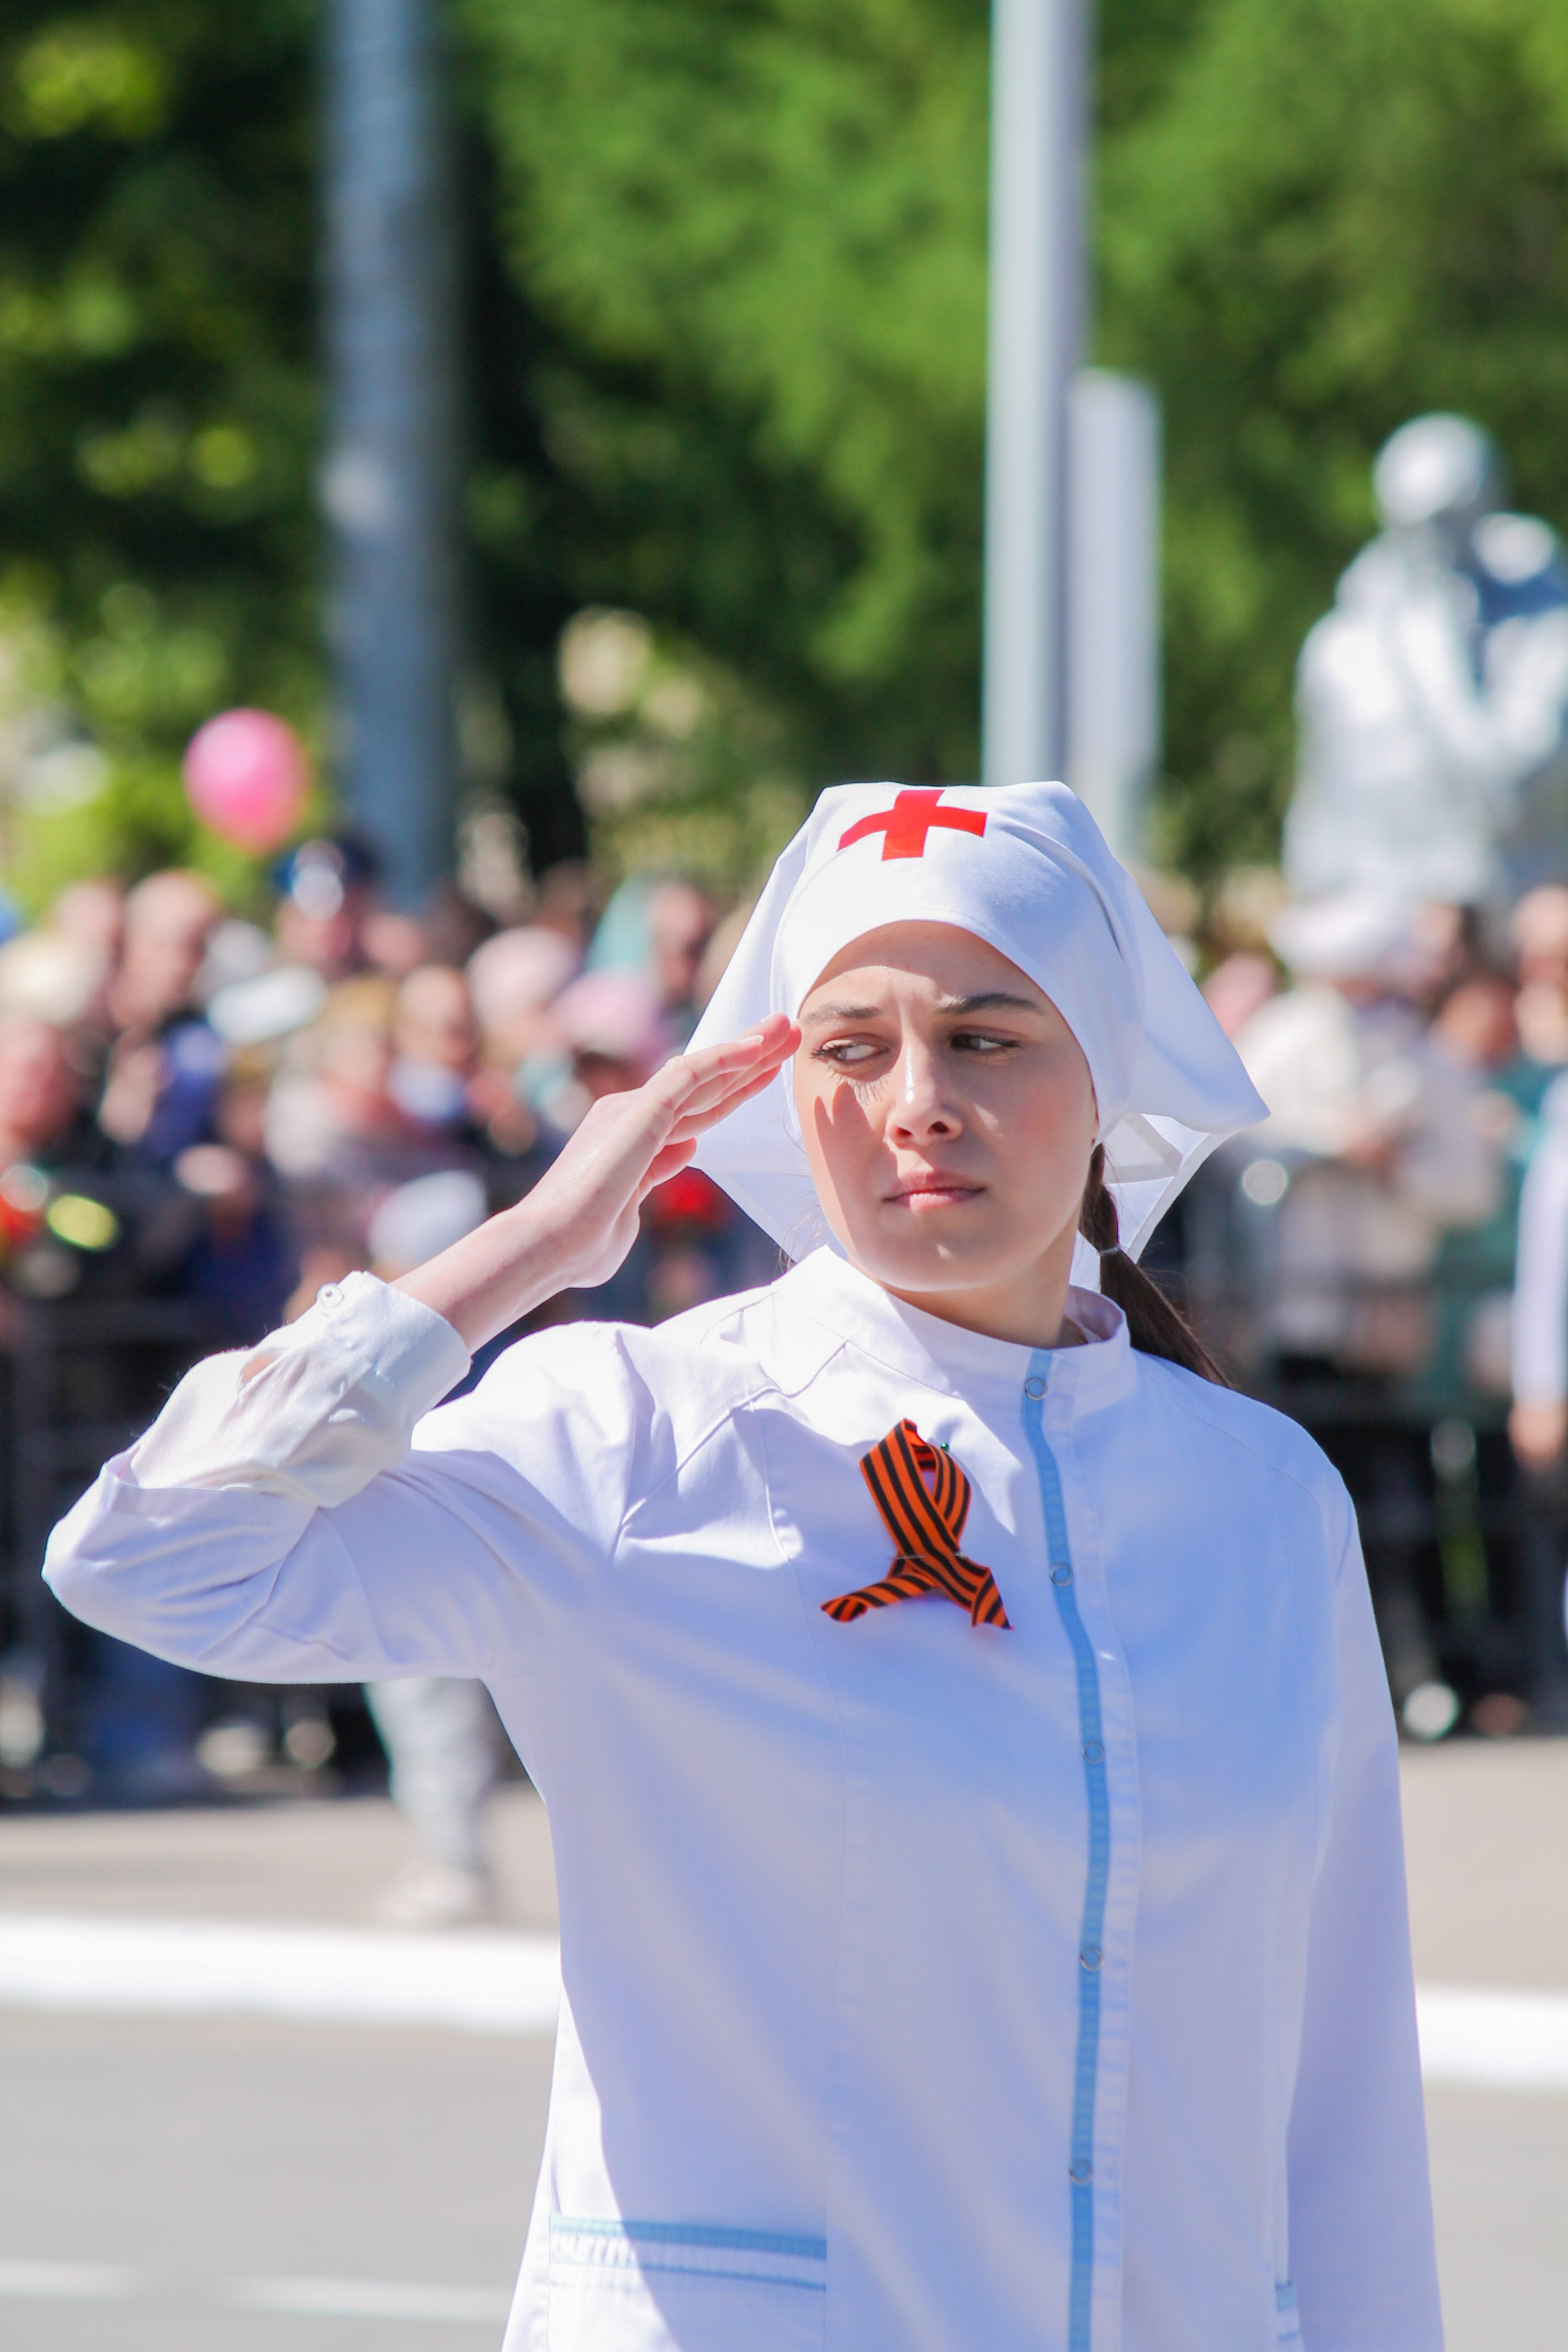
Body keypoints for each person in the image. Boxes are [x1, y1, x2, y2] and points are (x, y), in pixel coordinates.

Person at [43, 783, 1441, 2352]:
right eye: (848, 1047)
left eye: (985, 1037)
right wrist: (530, 1250)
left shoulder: (1258, 1501)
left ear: (1106, 1075)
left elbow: (1338, 2086)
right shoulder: (638, 1436)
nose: (913, 1100)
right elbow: (158, 1558)